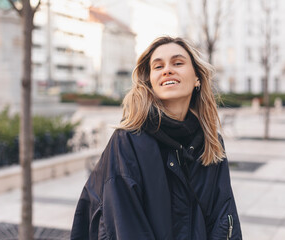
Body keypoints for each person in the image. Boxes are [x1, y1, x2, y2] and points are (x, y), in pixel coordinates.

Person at [71, 36, 242, 240]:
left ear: (197, 77)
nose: (167, 70)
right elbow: (126, 228)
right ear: (150, 82)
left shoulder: (211, 143)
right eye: (158, 66)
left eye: (178, 63)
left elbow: (224, 219)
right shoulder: (127, 142)